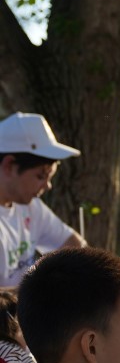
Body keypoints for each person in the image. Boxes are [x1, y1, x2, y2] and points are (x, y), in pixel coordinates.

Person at [0, 112, 86, 287]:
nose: (48, 186)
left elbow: (74, 246)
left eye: (50, 177)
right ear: (9, 165)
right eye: (41, 176)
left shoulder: (30, 207)